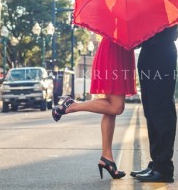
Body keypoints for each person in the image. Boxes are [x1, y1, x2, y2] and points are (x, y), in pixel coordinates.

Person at [52, 36, 136, 180]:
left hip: (120, 52)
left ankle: (107, 158)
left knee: (110, 108)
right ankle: (72, 105)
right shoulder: (118, 16)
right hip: (114, 53)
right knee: (116, 107)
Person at [131, 24, 178, 183]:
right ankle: (156, 163)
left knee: (161, 111)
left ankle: (164, 168)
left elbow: (169, 33)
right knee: (151, 112)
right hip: (149, 56)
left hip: (162, 55)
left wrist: (142, 35)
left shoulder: (165, 4)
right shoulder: (146, 5)